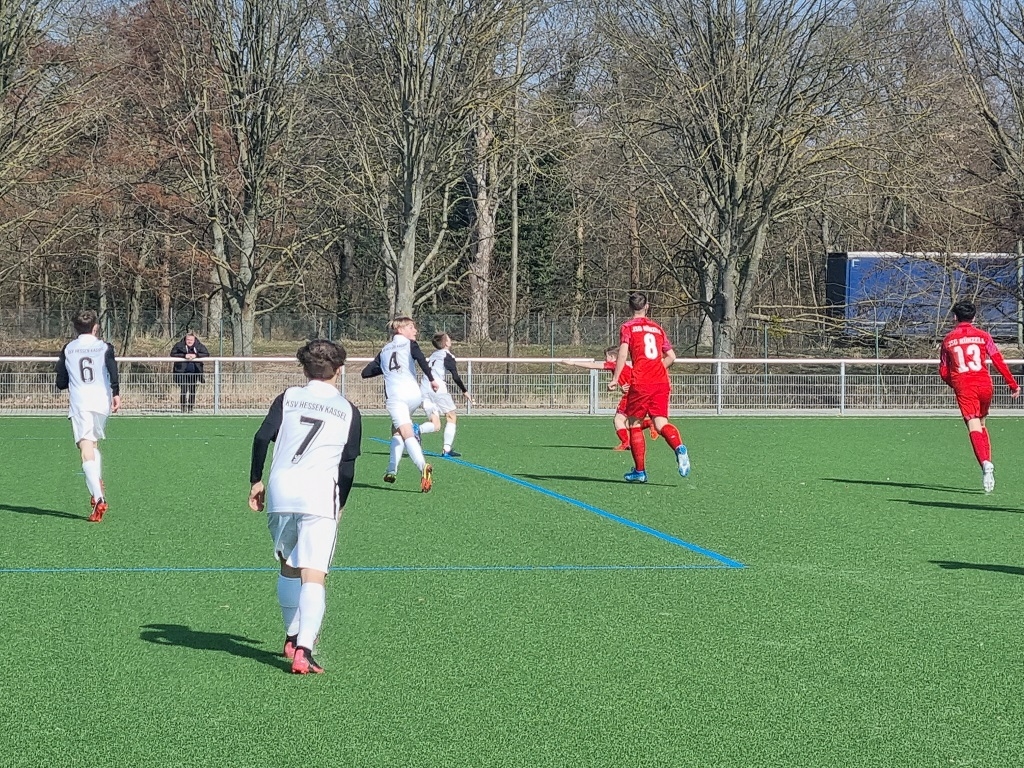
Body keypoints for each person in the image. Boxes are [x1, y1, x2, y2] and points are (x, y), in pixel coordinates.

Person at [248, 339, 362, 675]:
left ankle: (291, 636)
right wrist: (341, 502)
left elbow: (261, 438)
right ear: (339, 370)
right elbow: (347, 466)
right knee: (314, 573)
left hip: (282, 490)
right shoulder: (348, 410)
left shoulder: (288, 397)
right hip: (318, 494)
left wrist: (256, 480)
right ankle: (305, 650)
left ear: (304, 368)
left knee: (288, 564)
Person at [938, 300, 1020, 493]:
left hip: (965, 385)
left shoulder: (948, 340)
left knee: (973, 424)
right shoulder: (983, 336)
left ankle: (985, 463)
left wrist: (956, 384)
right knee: (982, 424)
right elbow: (998, 360)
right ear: (974, 317)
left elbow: (943, 371)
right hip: (985, 384)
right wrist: (1012, 384)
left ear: (954, 318)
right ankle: (987, 462)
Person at [608, 292, 690, 483]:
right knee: (660, 423)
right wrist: (656, 369)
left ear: (630, 307)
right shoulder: (657, 328)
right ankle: (679, 448)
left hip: (641, 382)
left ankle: (640, 471)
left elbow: (622, 355)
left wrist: (615, 379)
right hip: (661, 381)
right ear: (647, 306)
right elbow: (671, 356)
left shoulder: (628, 327)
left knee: (634, 424)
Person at [55, 309, 121, 522]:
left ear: (75, 328)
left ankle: (98, 497)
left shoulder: (68, 348)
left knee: (85, 448)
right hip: (102, 400)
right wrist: (116, 393)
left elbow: (60, 381)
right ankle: (97, 481)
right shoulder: (105, 347)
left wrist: (68, 381)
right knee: (92, 444)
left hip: (81, 402)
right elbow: (113, 370)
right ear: (96, 328)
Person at [361, 317, 438, 491]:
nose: (415, 331)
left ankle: (422, 466)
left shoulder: (384, 350)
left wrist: (386, 369)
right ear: (400, 329)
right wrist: (431, 379)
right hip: (414, 394)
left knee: (405, 431)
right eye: (411, 327)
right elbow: (421, 361)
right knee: (396, 429)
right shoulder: (410, 345)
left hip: (397, 396)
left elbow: (365, 373)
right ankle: (391, 469)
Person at [563, 346, 658, 450]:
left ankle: (626, 442)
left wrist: (573, 363)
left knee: (618, 420)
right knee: (627, 423)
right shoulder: (625, 367)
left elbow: (593, 365)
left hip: (630, 396)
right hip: (639, 394)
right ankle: (647, 424)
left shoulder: (614, 364)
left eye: (607, 357)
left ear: (613, 357)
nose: (605, 359)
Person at [416, 332, 472, 457]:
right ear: (446, 343)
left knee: (436, 425)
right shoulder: (447, 356)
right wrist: (464, 391)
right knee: (451, 416)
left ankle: (417, 429)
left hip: (424, 387)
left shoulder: (433, 355)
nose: (450, 340)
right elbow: (455, 376)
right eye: (449, 338)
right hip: (437, 387)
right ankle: (446, 449)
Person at [170, 330, 210, 413]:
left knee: (192, 389)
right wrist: (184, 355)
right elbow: (172, 354)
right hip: (181, 371)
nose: (189, 341)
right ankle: (183, 407)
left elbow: (206, 354)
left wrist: (196, 355)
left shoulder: (199, 346)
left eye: (191, 340)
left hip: (194, 371)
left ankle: (190, 407)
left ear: (194, 340)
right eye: (188, 339)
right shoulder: (179, 345)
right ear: (185, 339)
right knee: (184, 389)